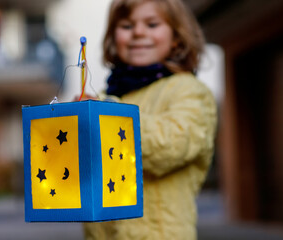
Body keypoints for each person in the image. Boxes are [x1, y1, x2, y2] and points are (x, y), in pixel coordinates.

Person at [83, 0, 217, 239]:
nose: (138, 32)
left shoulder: (188, 90)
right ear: (113, 38)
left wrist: (106, 116)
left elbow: (172, 145)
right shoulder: (110, 96)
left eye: (152, 24)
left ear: (177, 37)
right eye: (126, 25)